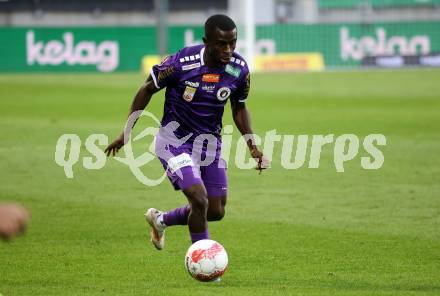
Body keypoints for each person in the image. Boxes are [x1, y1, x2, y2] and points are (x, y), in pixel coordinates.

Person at [105, 14, 269, 251]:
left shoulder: (239, 70)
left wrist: (252, 146)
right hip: (174, 142)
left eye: (233, 43)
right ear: (206, 42)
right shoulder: (181, 63)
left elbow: (239, 107)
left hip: (209, 144)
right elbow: (147, 89)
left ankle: (160, 220)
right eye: (221, 44)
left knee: (215, 211)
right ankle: (203, 259)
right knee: (198, 198)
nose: (229, 49)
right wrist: (126, 132)